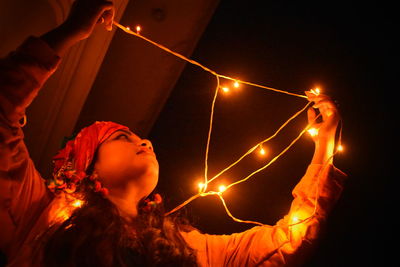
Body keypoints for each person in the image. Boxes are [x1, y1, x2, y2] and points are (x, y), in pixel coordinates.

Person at [0, 0, 347, 266]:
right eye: (122, 137)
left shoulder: (191, 248)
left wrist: (324, 145)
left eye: (139, 136)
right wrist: (71, 30)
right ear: (86, 168)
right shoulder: (40, 216)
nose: (146, 141)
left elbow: (288, 242)